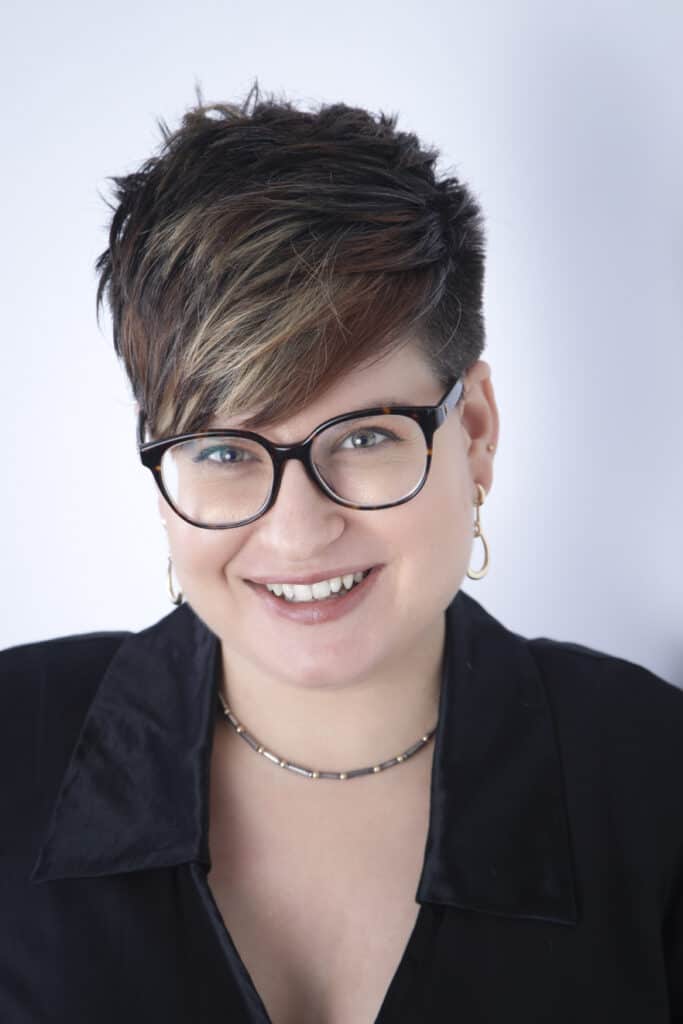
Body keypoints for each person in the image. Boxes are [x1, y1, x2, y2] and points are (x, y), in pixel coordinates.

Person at [1, 80, 682, 1024]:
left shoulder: (654, 775)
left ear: (474, 432)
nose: (295, 530)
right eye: (224, 452)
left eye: (363, 437)